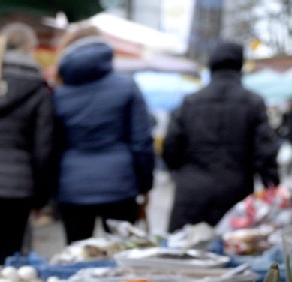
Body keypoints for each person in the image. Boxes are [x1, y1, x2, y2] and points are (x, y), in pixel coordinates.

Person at [52, 24, 155, 244]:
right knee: (122, 259)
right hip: (120, 184)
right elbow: (142, 142)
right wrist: (145, 185)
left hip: (73, 186)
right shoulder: (127, 86)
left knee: (78, 258)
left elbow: (52, 145)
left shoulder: (58, 95)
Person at [163, 41, 280, 231]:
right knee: (232, 253)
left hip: (191, 191)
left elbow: (171, 147)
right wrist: (272, 188)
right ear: (240, 65)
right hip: (236, 191)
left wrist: (183, 172)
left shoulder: (190, 102)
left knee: (182, 251)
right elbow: (265, 153)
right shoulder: (253, 102)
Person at [0, 23, 54, 266]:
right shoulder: (37, 89)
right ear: (29, 48)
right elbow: (43, 148)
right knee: (12, 255)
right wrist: (41, 198)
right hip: (19, 186)